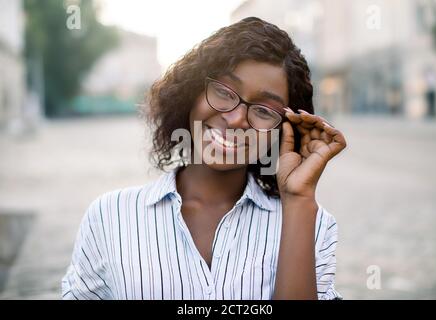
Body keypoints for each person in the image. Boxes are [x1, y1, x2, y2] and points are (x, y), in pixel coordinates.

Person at [62, 17, 347, 300]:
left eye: (263, 110)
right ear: (192, 92)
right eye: (223, 92)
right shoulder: (110, 217)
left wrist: (297, 198)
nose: (235, 119)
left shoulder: (312, 224)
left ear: (283, 130)